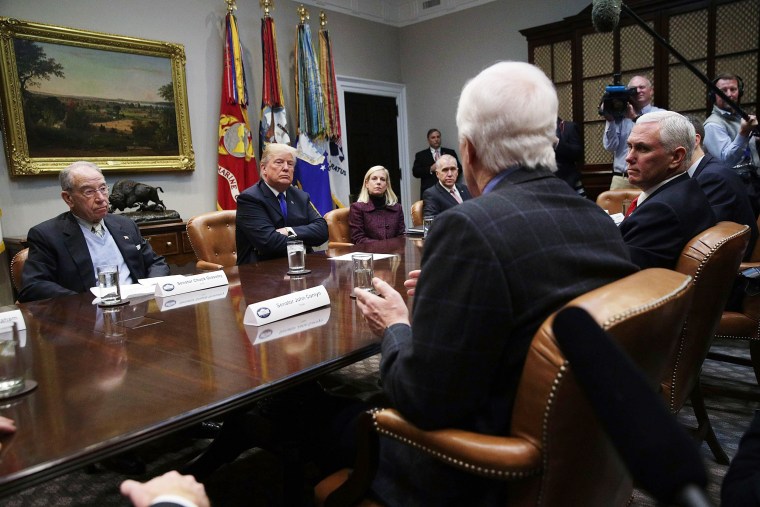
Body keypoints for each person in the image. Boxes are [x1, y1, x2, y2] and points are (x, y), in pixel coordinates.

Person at [354, 61, 638, 505]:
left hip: (480, 472)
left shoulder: (470, 227)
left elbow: (421, 399)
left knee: (327, 420)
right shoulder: (598, 220)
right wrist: (456, 285)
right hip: (580, 453)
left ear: (466, 151)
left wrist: (395, 324)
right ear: (553, 140)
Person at [18, 161, 170, 303]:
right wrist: (86, 302)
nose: (101, 198)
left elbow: (156, 263)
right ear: (68, 198)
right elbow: (34, 286)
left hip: (137, 309)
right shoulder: (47, 235)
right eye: (89, 192)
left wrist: (149, 290)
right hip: (86, 317)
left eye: (103, 189)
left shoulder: (125, 224)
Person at [619, 111, 716, 269]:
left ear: (676, 157)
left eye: (642, 148)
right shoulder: (687, 190)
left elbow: (619, 275)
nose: (629, 157)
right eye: (630, 146)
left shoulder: (660, 212)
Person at [235, 143, 328, 264]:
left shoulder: (300, 196)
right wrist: (305, 241)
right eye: (279, 162)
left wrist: (289, 230)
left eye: (290, 164)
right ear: (264, 169)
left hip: (299, 265)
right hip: (260, 271)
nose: (285, 168)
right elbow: (269, 242)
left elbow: (322, 230)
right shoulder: (250, 198)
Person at [685, 114, 758, 259]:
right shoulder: (705, 171)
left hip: (731, 265)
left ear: (694, 141)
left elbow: (700, 236)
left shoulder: (713, 177)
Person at [702, 73, 760, 202]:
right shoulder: (712, 124)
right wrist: (743, 133)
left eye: (733, 89)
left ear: (740, 92)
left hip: (753, 181)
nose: (729, 94)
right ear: (713, 95)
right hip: (734, 187)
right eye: (723, 91)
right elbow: (726, 161)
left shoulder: (740, 117)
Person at [602, 75, 664, 190]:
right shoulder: (620, 116)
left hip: (649, 179)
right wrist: (610, 119)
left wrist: (635, 118)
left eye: (642, 87)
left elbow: (656, 140)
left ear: (651, 91)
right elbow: (610, 147)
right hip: (621, 179)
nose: (638, 91)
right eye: (634, 89)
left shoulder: (660, 115)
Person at [349, 166, 405, 244]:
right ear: (366, 184)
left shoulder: (397, 208)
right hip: (369, 254)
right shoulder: (357, 208)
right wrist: (385, 246)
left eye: (382, 179)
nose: (378, 182)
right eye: (374, 178)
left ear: (387, 185)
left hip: (394, 253)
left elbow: (401, 236)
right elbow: (358, 239)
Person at [411, 128, 462, 199]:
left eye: (438, 137)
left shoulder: (449, 152)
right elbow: (415, 172)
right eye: (433, 137)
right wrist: (430, 169)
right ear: (428, 140)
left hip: (448, 191)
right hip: (429, 191)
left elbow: (459, 169)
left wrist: (450, 180)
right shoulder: (421, 155)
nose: (436, 139)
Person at [554, 117, 587, 197]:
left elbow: (578, 154)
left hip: (570, 183)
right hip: (545, 185)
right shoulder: (534, 131)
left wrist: (557, 143)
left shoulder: (569, 127)